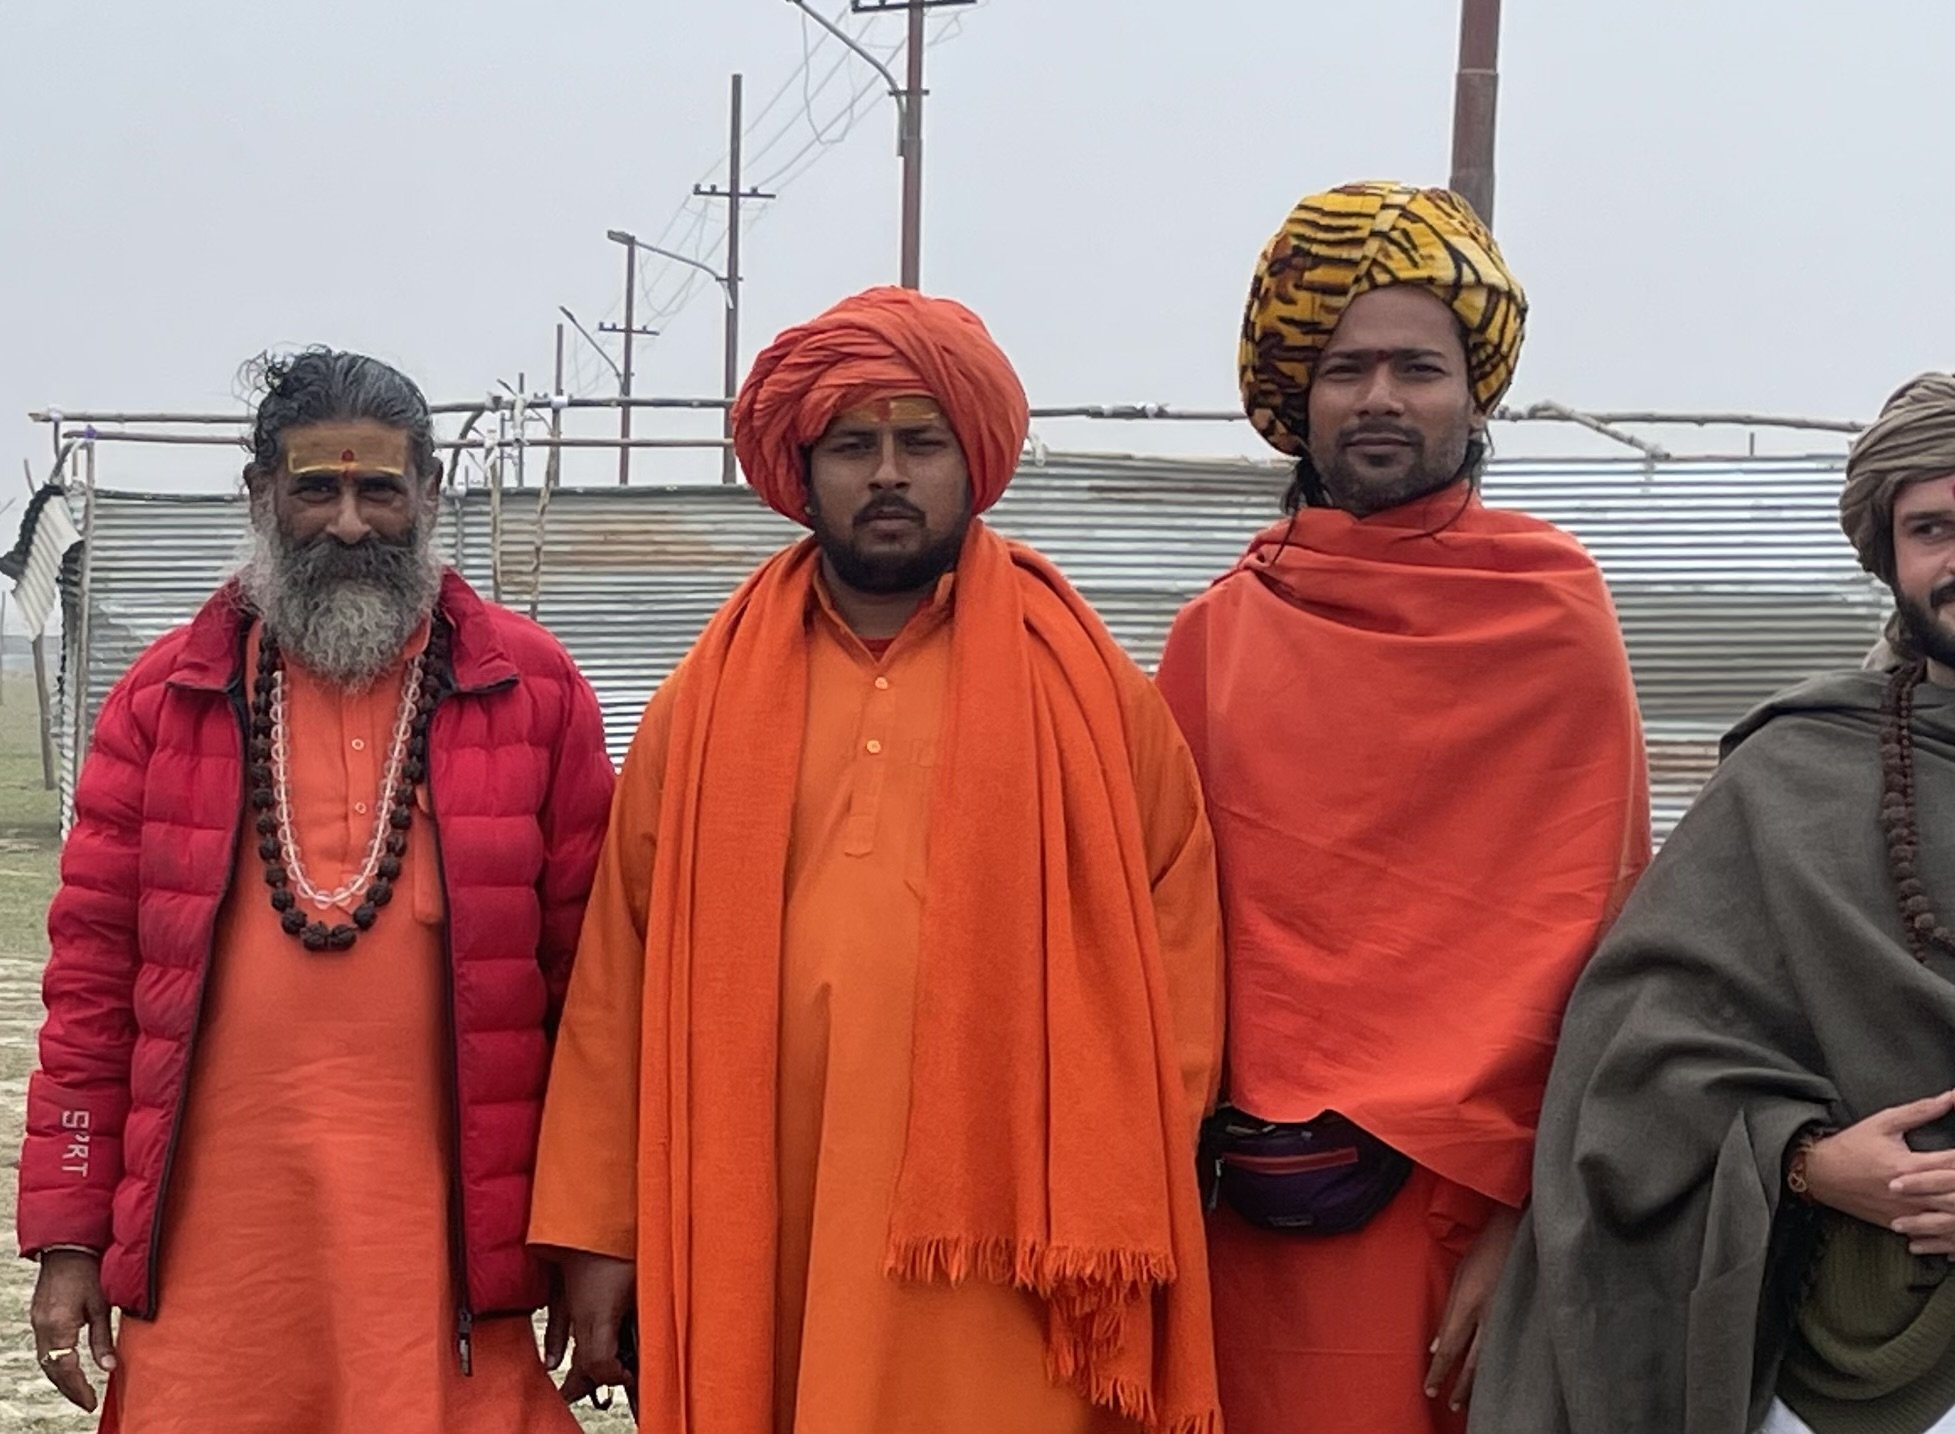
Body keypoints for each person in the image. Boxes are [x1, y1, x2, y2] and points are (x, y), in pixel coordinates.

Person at [530, 286, 1225, 1434]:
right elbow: (618, 980)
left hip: (1011, 1250)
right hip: (767, 1217)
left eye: (921, 443)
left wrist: (1123, 1163)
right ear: (804, 472)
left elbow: (1179, 943)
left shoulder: (1092, 689)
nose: (888, 474)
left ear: (976, 458)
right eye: (854, 444)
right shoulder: (702, 703)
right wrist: (599, 1233)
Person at [1472, 361, 1955, 1434]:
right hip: (1831, 1337)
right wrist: (1807, 1162)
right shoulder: (1794, 773)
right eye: (1929, 530)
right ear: (1892, 560)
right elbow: (1637, 1058)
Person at [16, 348, 616, 1432]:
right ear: (261, 498)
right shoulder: (164, 700)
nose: (350, 524)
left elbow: (599, 1001)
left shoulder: (532, 690)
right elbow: (92, 996)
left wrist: (597, 1238)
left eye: (379, 489)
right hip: (219, 1265)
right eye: (317, 490)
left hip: (446, 1266)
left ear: (429, 495)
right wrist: (66, 1238)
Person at [1154, 180, 1651, 1434]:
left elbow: (1603, 930)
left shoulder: (1553, 613)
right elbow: (1163, 935)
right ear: (1296, 399)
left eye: (1417, 368)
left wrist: (1527, 1221)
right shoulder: (1216, 637)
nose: (1380, 399)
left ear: (1474, 392)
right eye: (1346, 368)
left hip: (1470, 1207)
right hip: (1241, 1206)